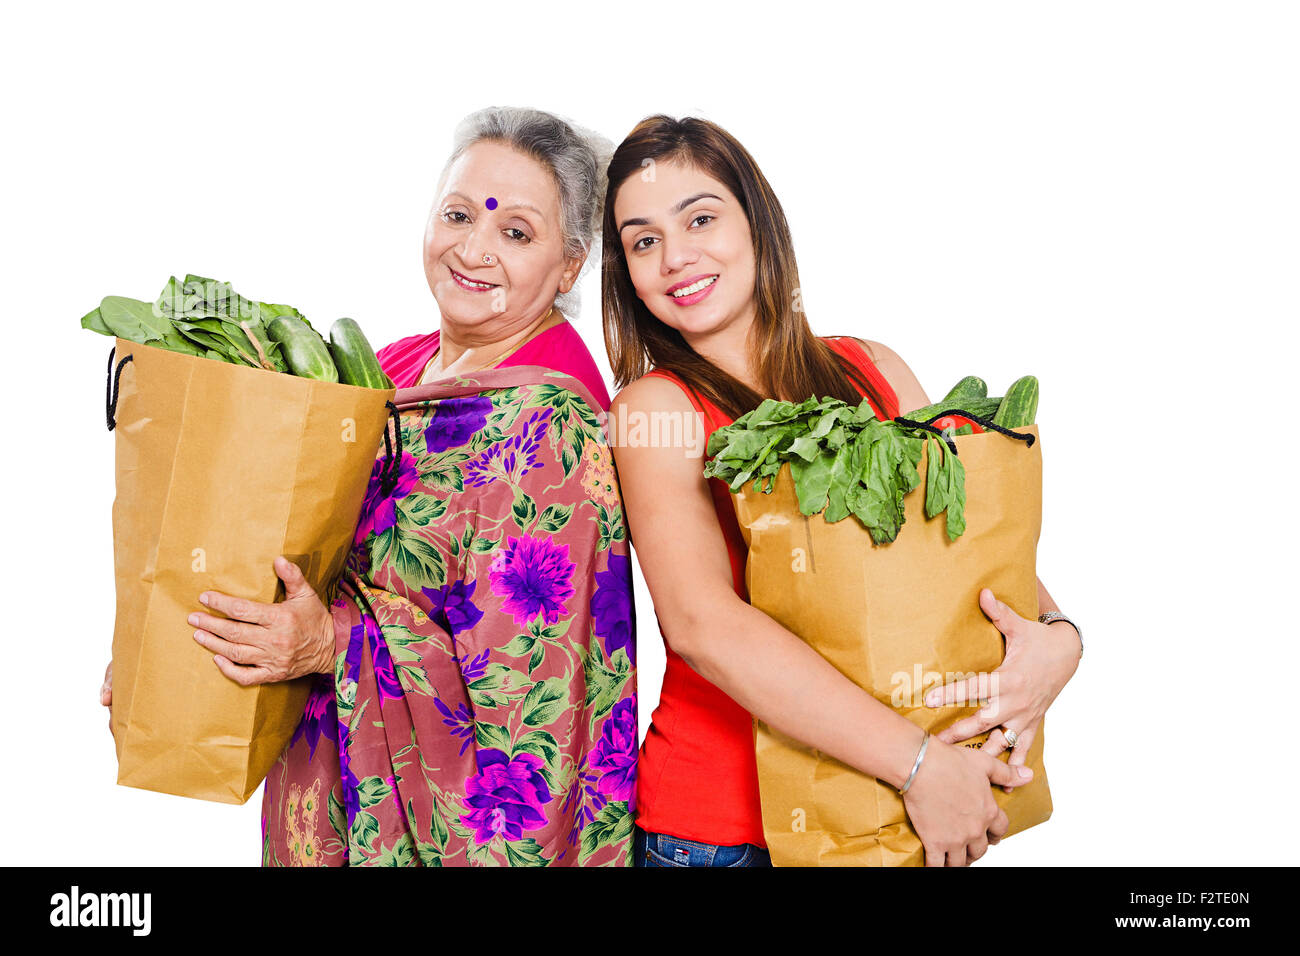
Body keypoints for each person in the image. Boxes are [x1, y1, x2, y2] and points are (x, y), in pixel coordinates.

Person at [103, 107, 637, 866]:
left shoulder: (549, 423)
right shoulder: (396, 367)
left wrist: (333, 643)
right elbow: (295, 557)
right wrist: (174, 634)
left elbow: (528, 695)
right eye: (457, 214)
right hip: (330, 795)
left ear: (571, 265)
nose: (474, 248)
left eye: (516, 232)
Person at [601, 115, 1082, 867]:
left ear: (758, 221)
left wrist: (1060, 643)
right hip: (731, 832)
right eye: (643, 241)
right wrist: (922, 767)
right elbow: (703, 625)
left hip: (893, 813)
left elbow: (966, 564)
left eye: (700, 218)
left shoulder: (874, 369)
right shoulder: (653, 412)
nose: (675, 257)